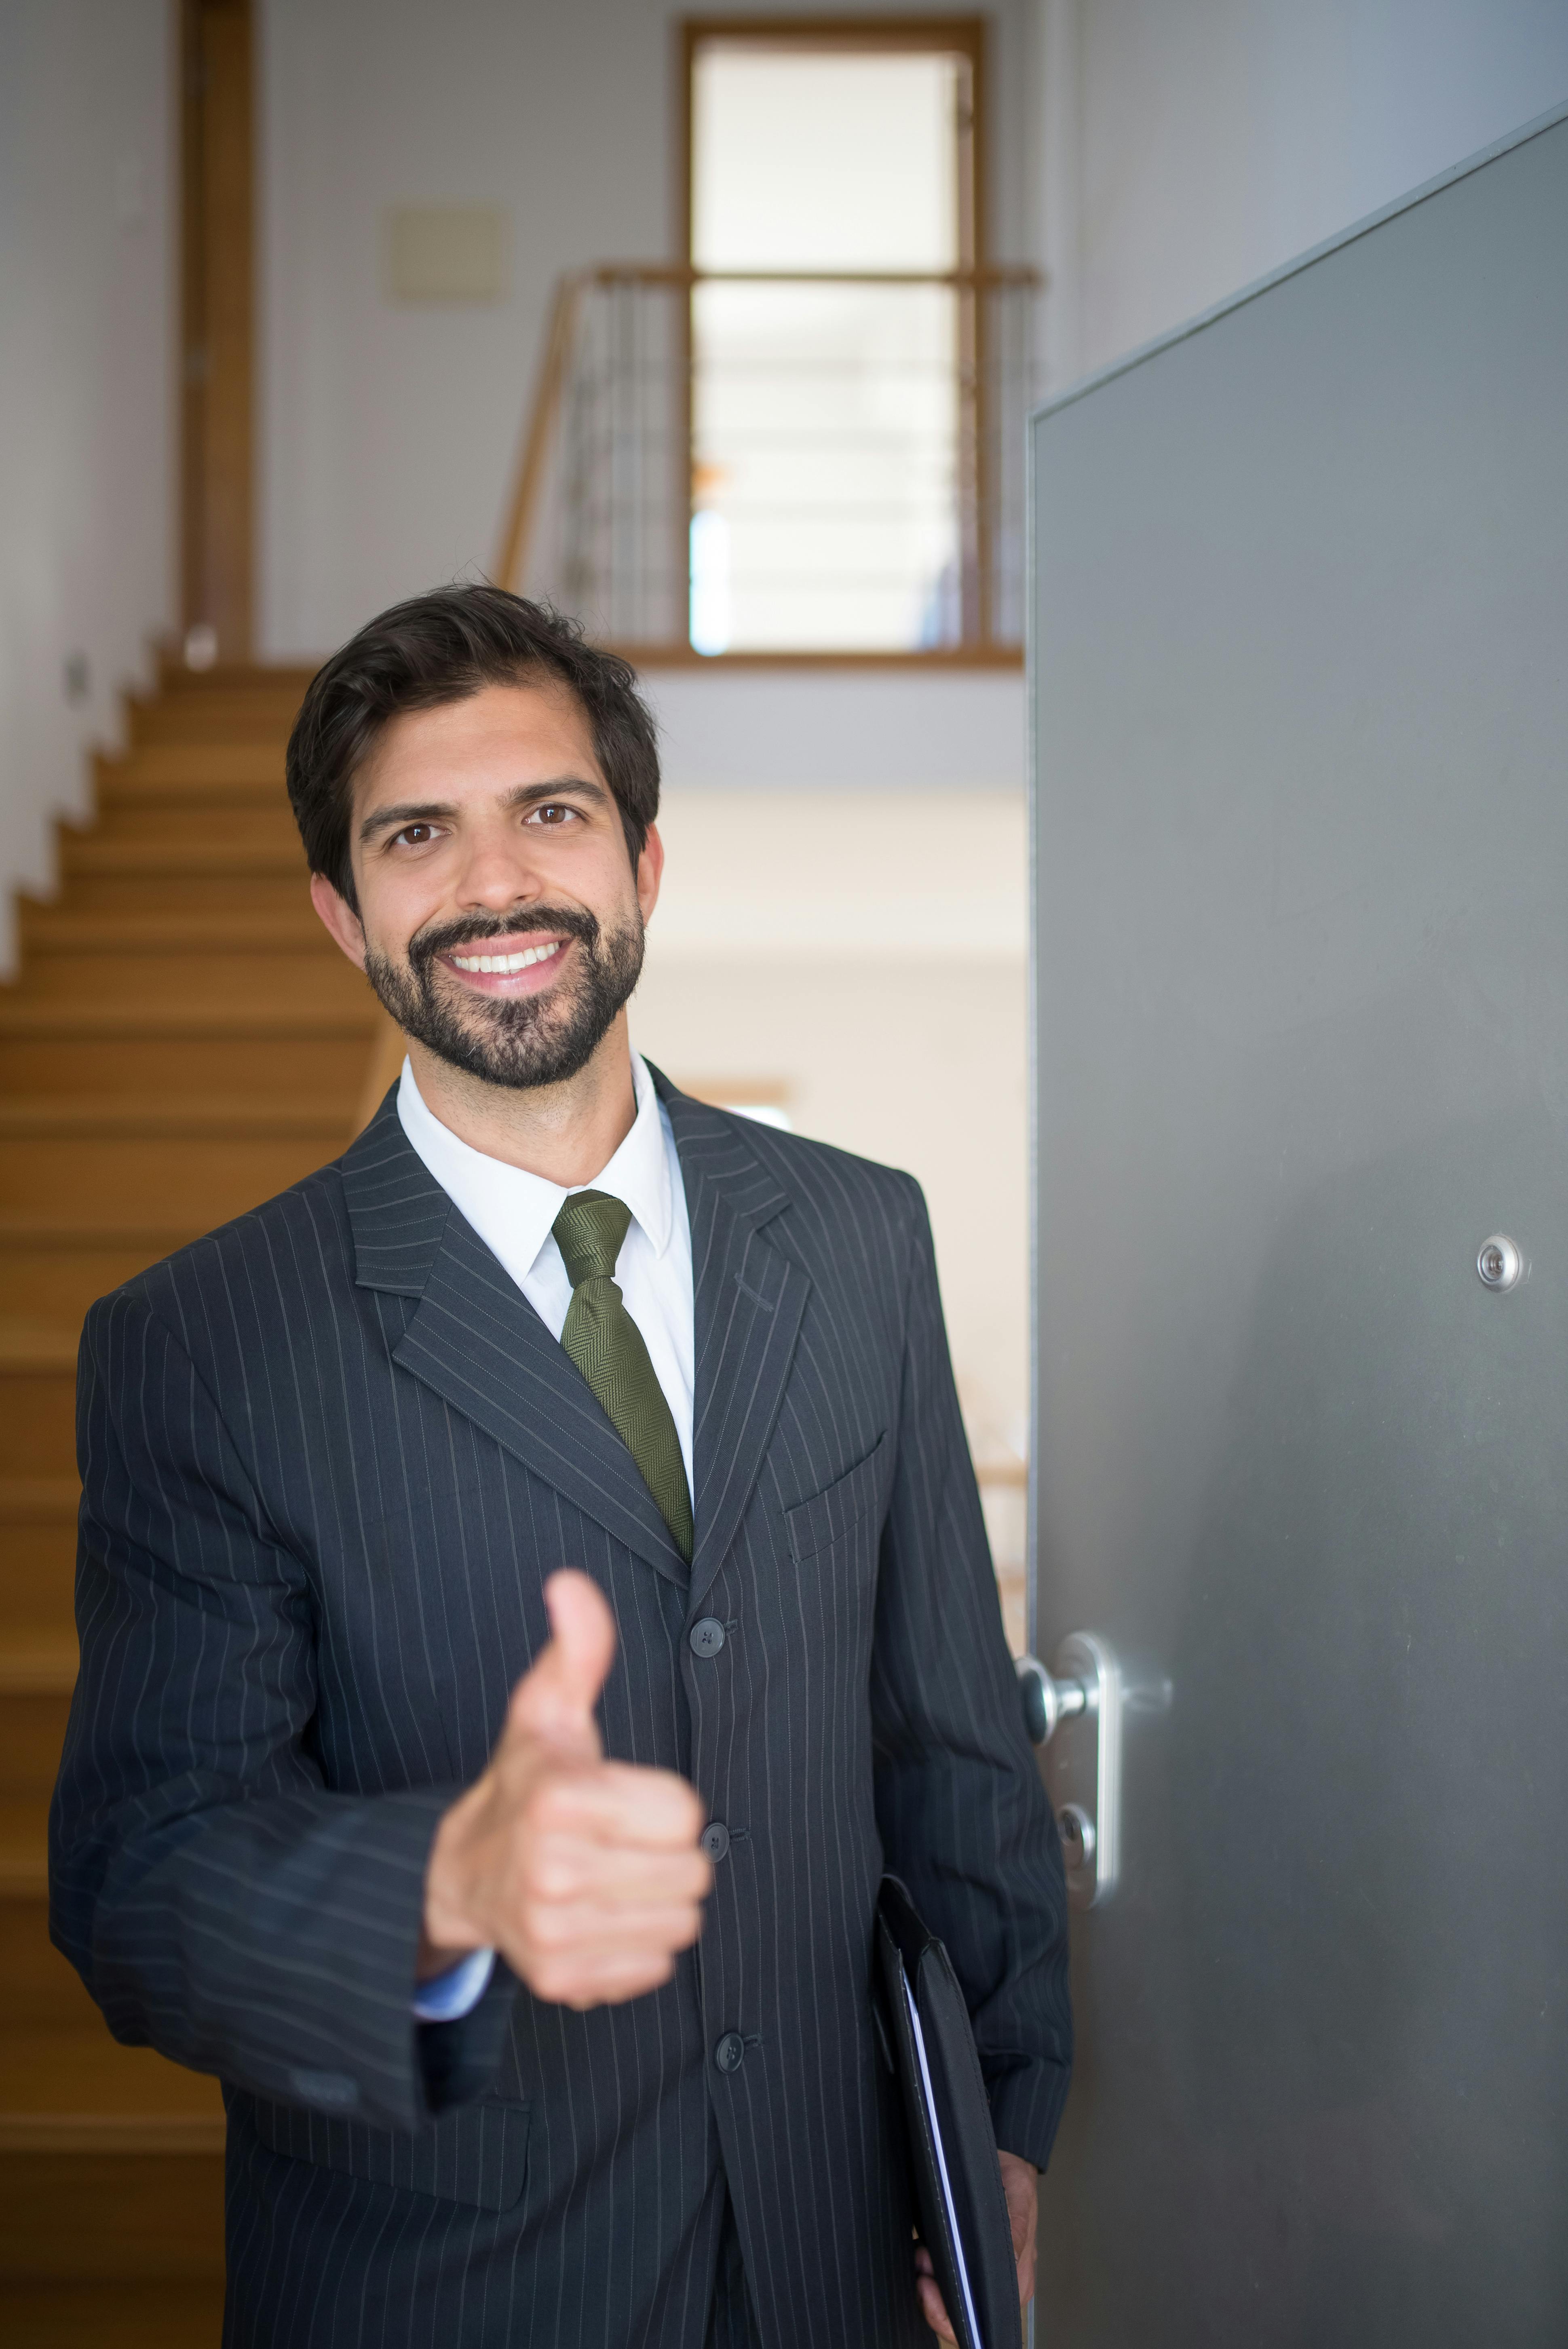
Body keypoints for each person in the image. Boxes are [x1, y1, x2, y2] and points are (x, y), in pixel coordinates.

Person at [50, 586, 1071, 2347]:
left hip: (839, 2250)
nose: (495, 883)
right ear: (338, 910)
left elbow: (947, 1734)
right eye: (415, 833)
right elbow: (141, 1880)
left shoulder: (856, 1234)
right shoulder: (204, 1344)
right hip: (450, 2286)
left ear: (645, 863)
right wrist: (447, 1880)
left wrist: (997, 2117)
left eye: (551, 811)